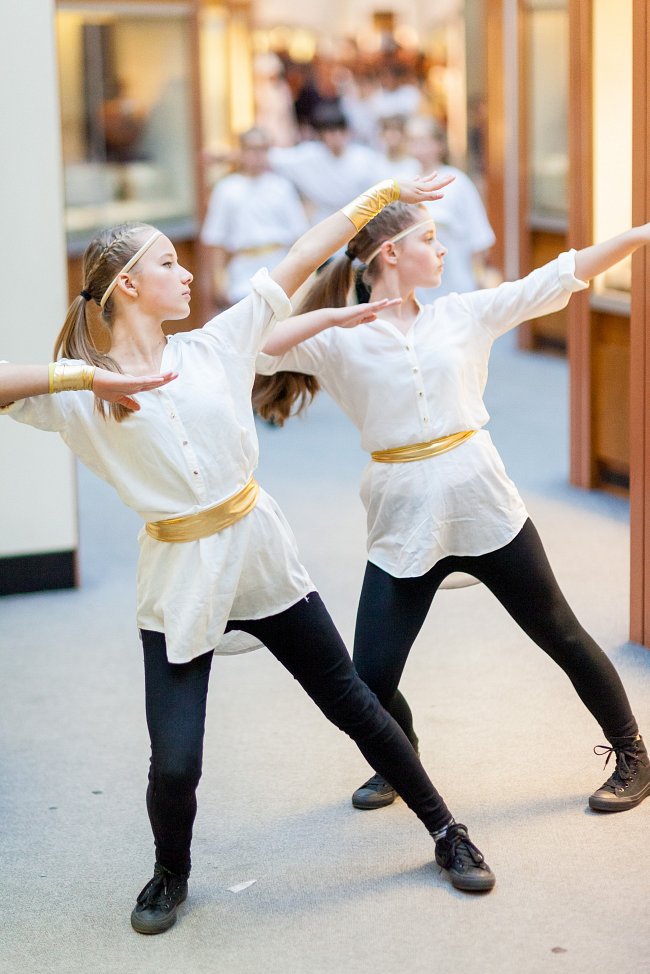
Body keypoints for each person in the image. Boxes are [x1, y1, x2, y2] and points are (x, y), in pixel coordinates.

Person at [1, 172, 500, 939]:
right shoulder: (78, 397)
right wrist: (90, 373)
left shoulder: (216, 344)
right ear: (129, 285)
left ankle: (444, 827)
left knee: (352, 703)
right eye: (170, 263)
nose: (188, 272)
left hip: (259, 551)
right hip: (177, 573)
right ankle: (172, 871)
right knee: (174, 762)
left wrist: (375, 201)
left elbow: (303, 253)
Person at [253, 201, 650, 819]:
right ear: (391, 254)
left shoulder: (463, 313)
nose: (442, 251)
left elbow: (561, 275)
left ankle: (633, 755)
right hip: (401, 516)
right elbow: (254, 346)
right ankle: (397, 751)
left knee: (561, 633)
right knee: (369, 679)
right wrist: (329, 315)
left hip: (481, 501)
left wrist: (640, 234)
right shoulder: (335, 341)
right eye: (430, 239)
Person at [200, 127, 308, 306]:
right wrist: (219, 280)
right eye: (252, 149)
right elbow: (216, 239)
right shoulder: (226, 189)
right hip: (243, 273)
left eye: (263, 149)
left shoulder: (282, 187)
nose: (258, 155)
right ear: (241, 152)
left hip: (279, 268)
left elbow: (299, 235)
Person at [406, 116, 495, 299]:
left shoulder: (457, 182)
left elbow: (478, 234)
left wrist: (478, 277)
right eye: (413, 141)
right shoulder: (405, 181)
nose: (418, 148)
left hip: (457, 278)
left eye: (423, 141)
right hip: (418, 285)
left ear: (439, 144)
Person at [268, 105, 388, 225]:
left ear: (347, 132)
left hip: (360, 220)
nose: (336, 136)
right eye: (330, 132)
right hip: (324, 220)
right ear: (322, 134)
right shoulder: (309, 155)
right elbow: (275, 158)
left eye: (340, 131)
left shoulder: (365, 158)